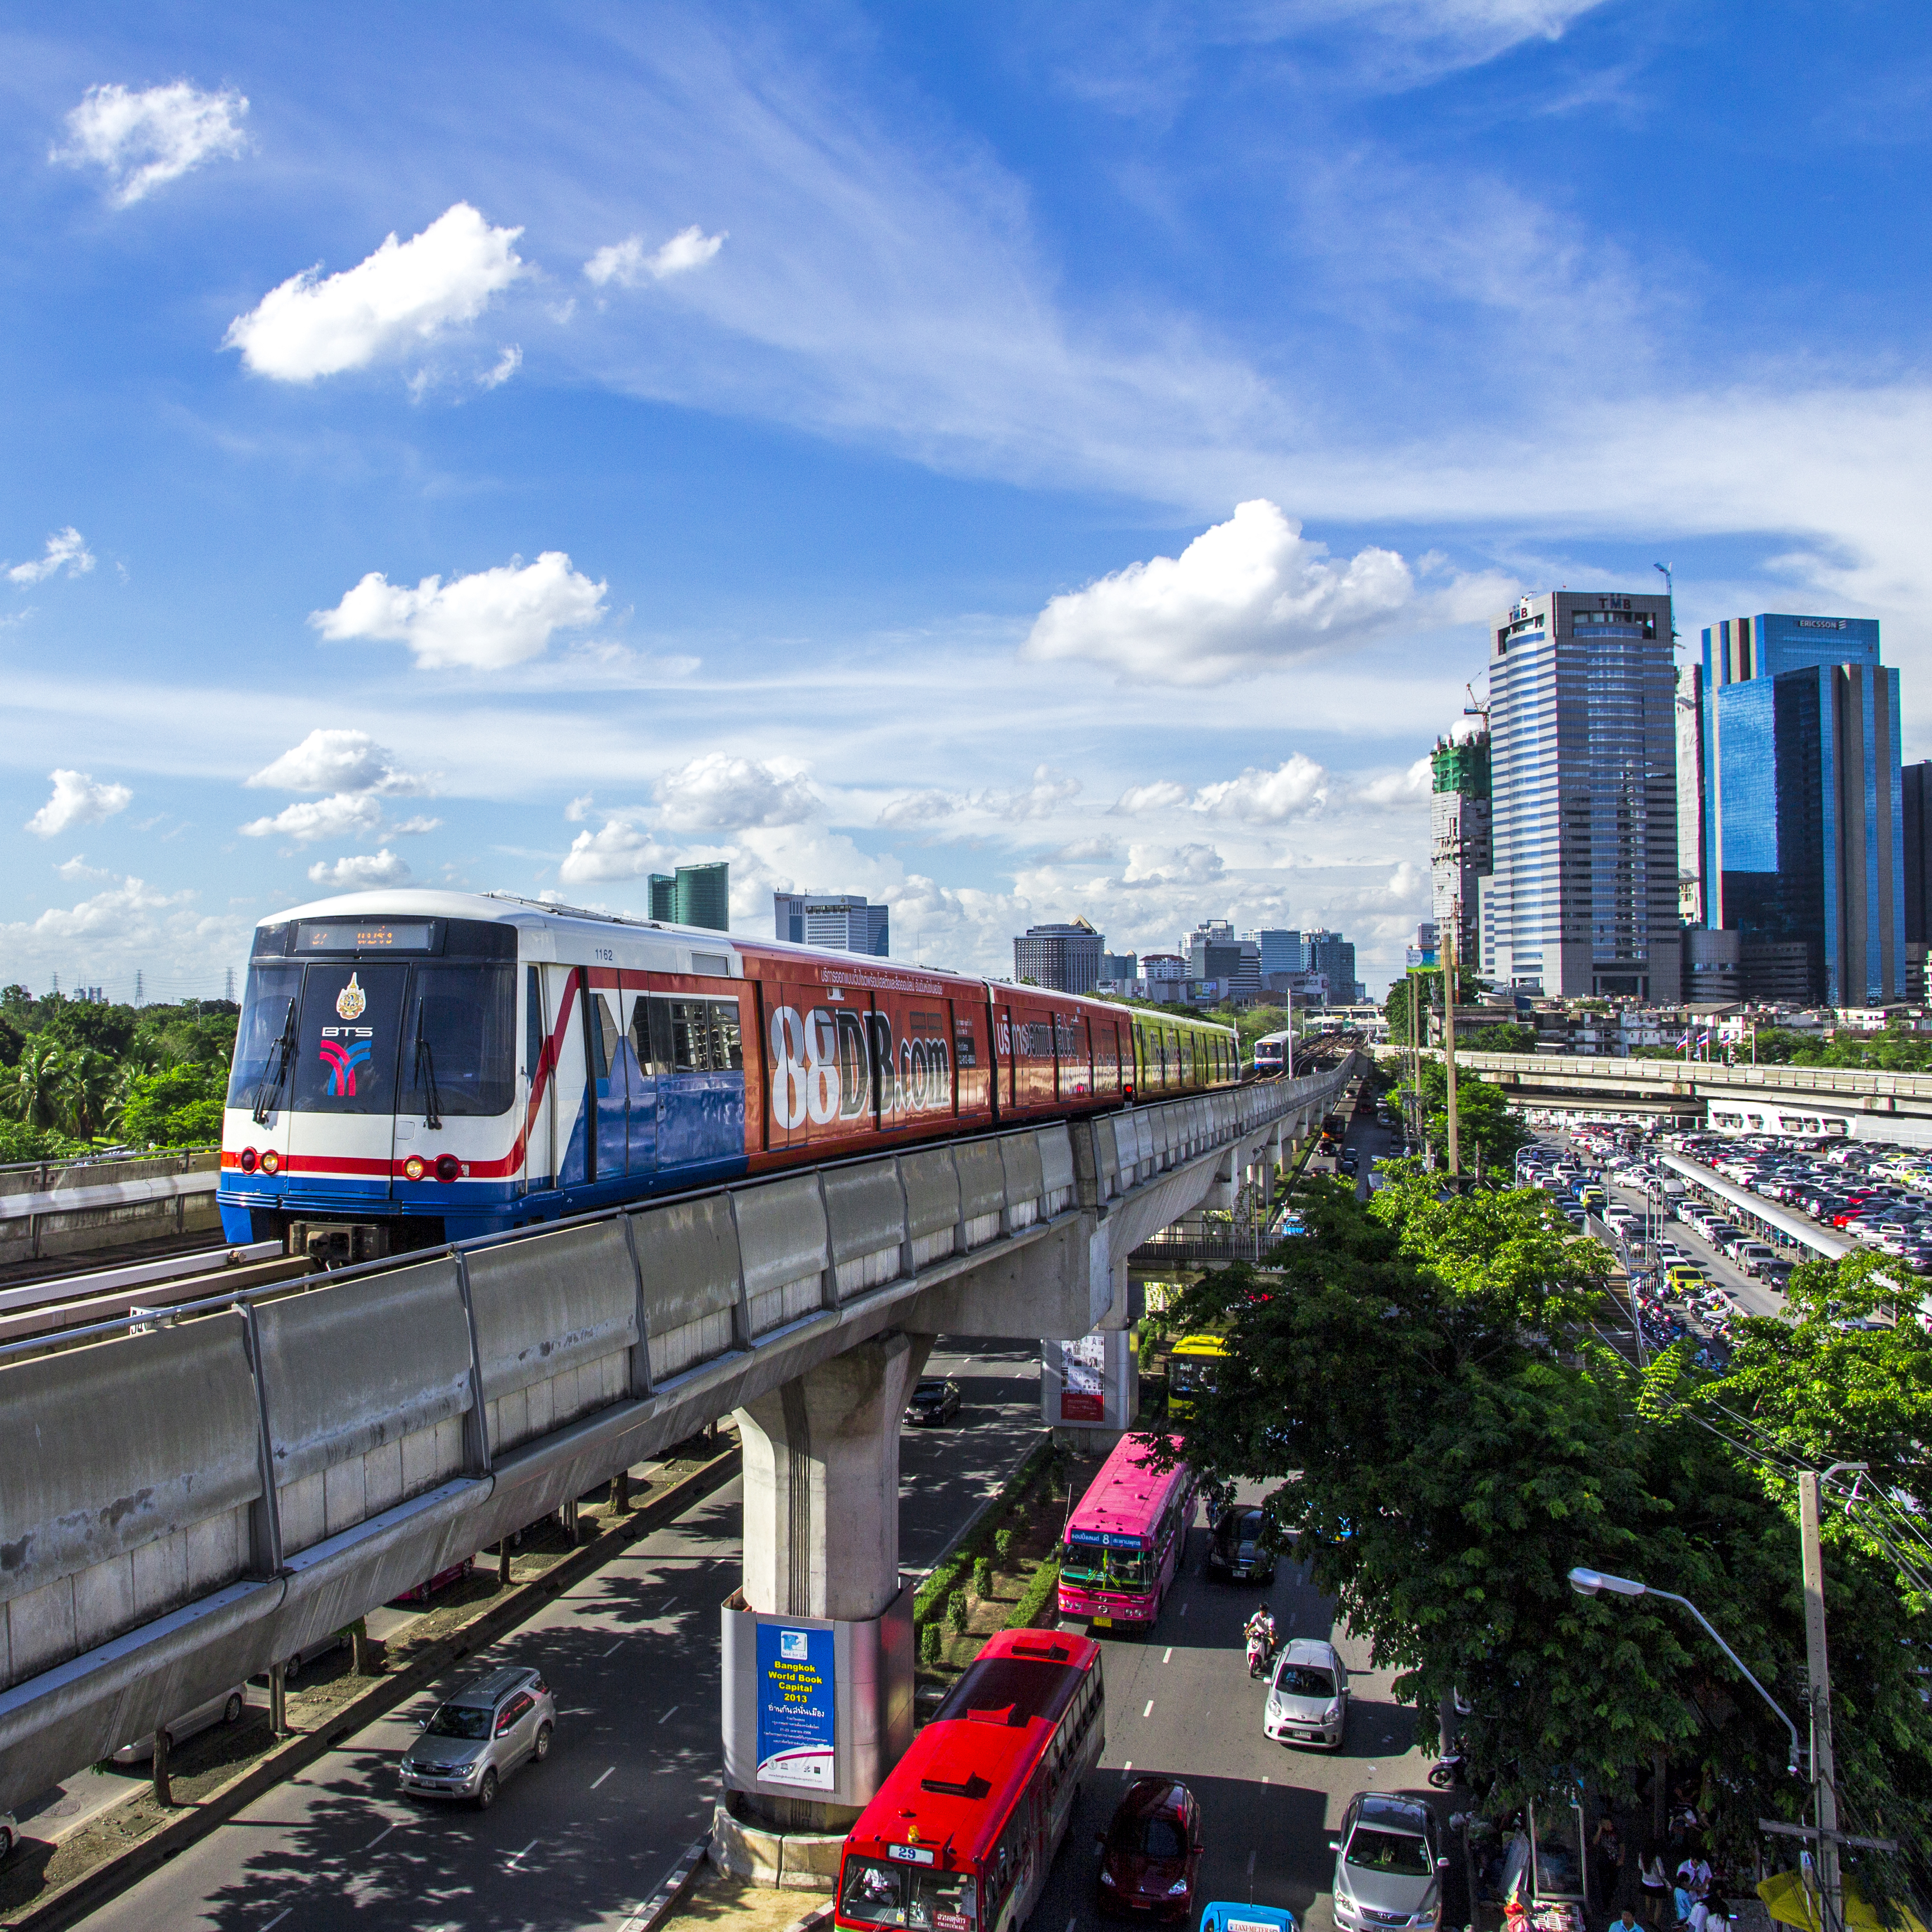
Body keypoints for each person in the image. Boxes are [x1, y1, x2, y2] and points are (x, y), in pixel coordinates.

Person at [1639, 1843, 1670, 1926]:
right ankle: (1656, 1922)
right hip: (1657, 1884)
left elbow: (1640, 1867)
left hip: (1646, 1882)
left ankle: (1648, 1917)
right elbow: (1662, 1873)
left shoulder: (1642, 1855)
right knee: (1658, 1903)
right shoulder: (1656, 1859)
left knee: (1648, 1900)